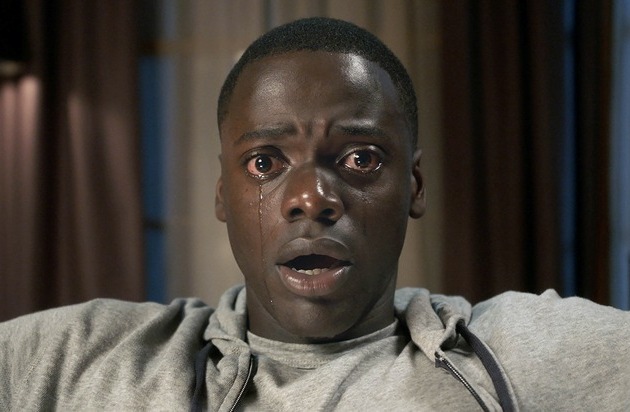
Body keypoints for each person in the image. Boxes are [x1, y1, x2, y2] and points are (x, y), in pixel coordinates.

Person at [1, 17, 629, 411]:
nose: (312, 198)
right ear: (221, 194)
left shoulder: (523, 352)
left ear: (413, 186)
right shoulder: (76, 358)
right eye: (264, 163)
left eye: (360, 159)